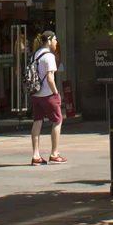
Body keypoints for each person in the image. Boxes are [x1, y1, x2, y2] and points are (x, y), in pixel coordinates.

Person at [28, 30, 64, 166]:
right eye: (54, 40)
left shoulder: (35, 55)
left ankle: (36, 155)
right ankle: (55, 153)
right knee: (57, 120)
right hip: (48, 94)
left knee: (37, 122)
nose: (56, 43)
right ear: (49, 41)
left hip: (36, 94)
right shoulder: (49, 56)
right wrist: (56, 93)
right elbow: (50, 78)